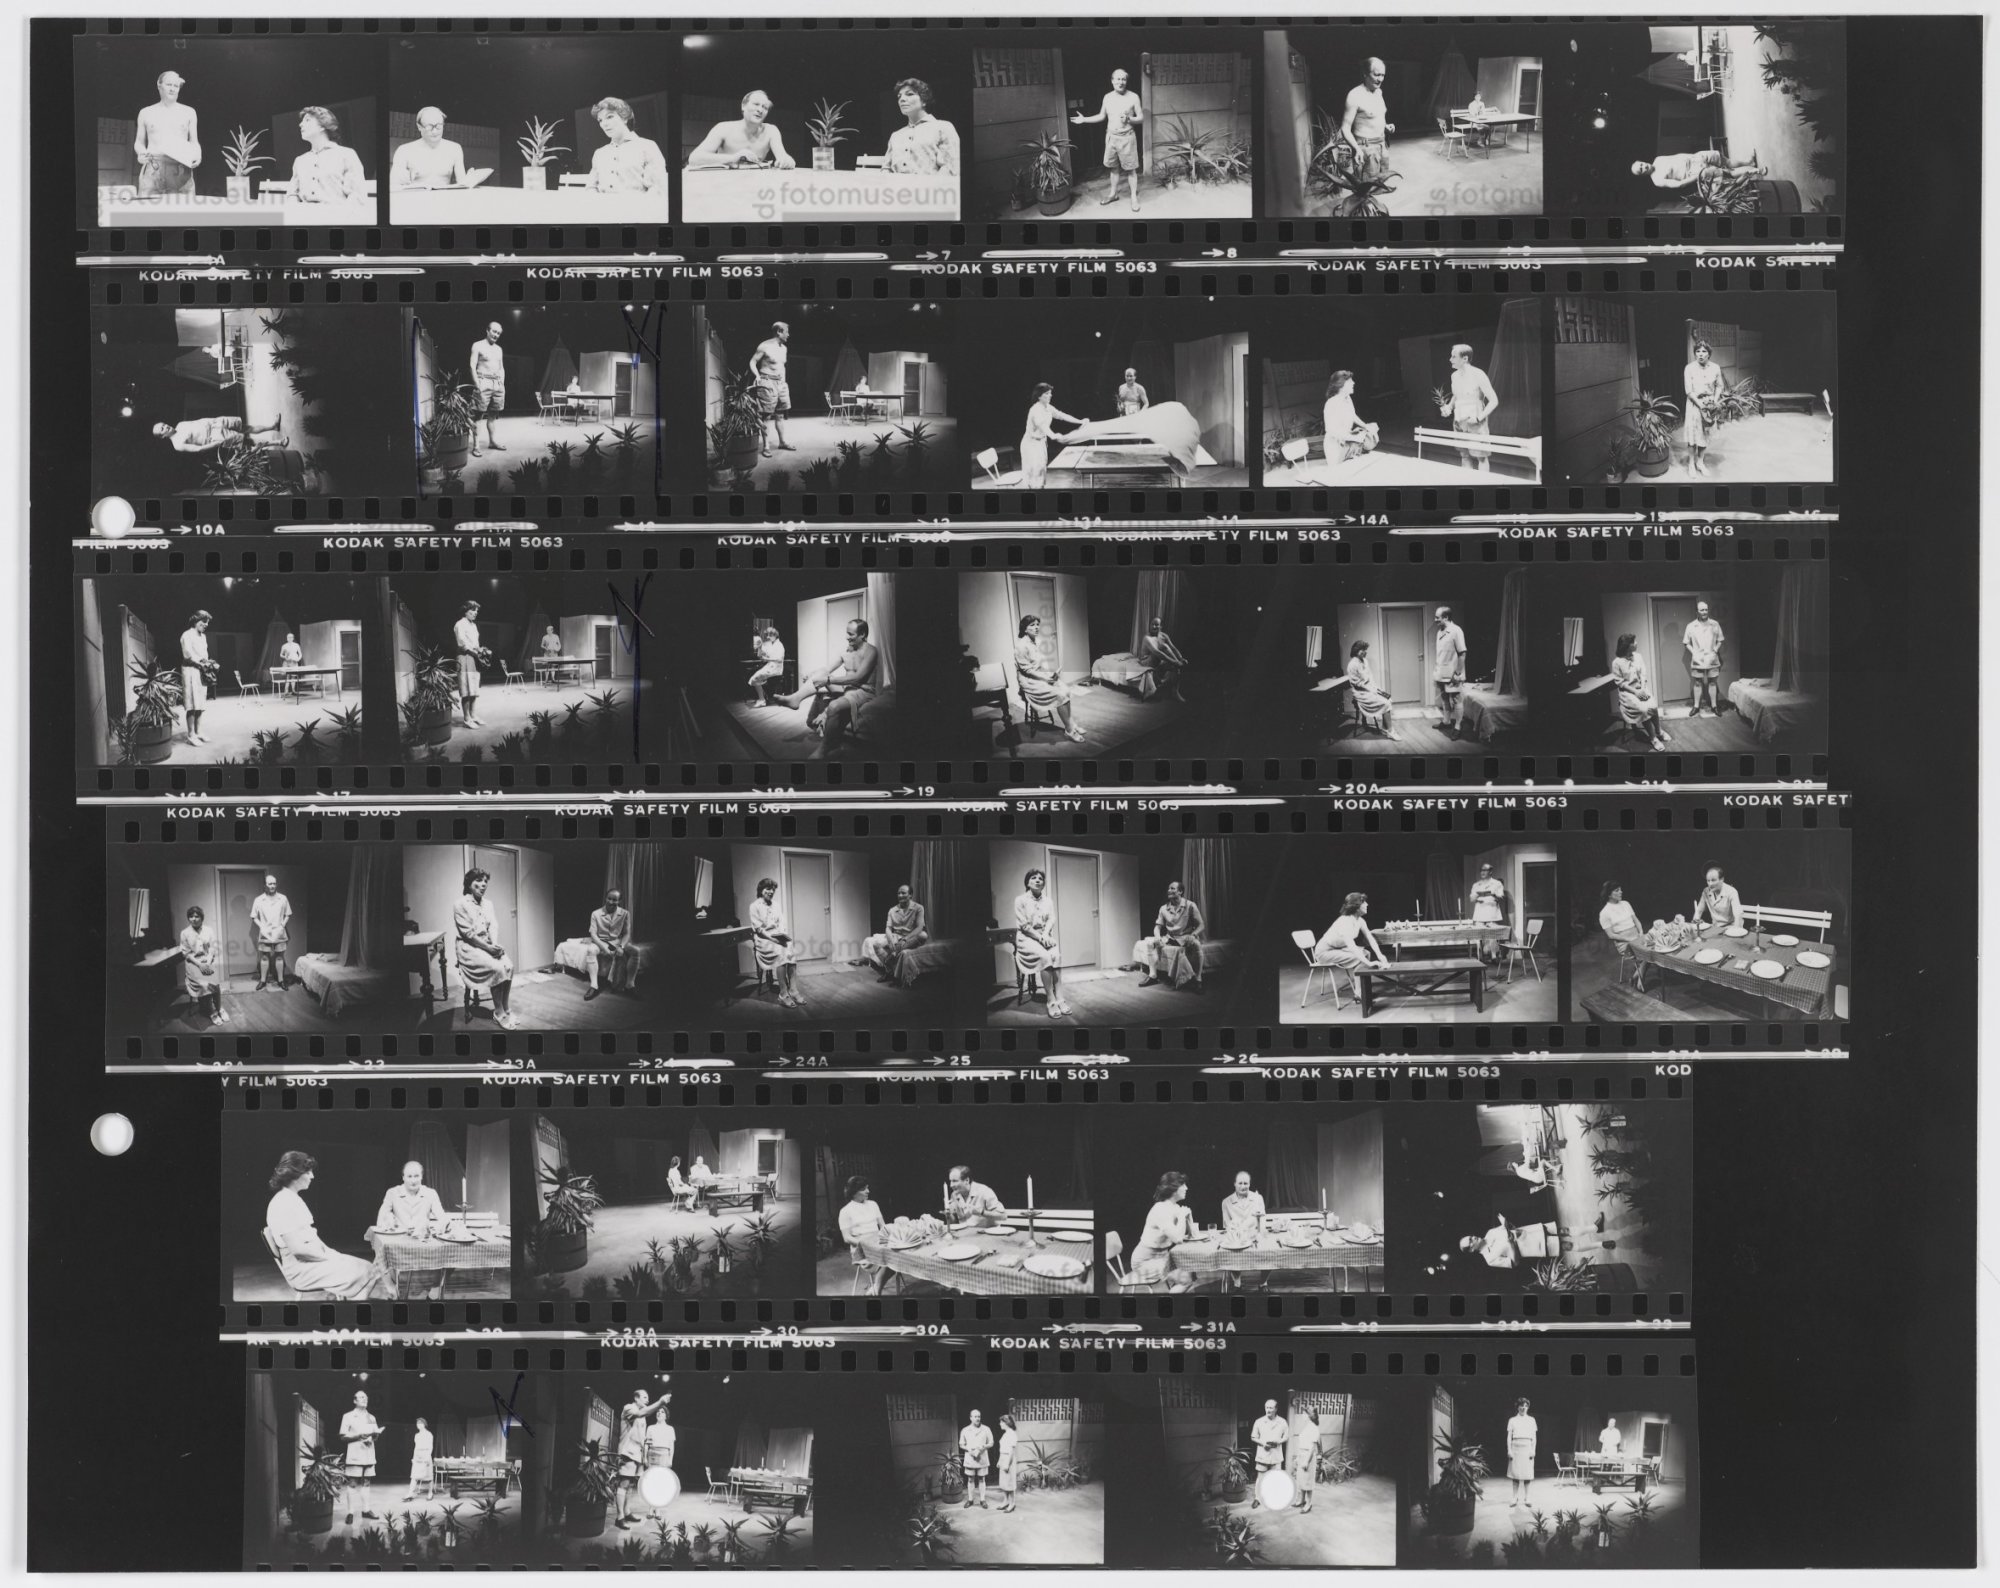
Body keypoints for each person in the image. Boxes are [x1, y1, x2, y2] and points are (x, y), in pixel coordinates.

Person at [265, 1151, 382, 1300]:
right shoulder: (283, 1203)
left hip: (310, 1259)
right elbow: (298, 1250)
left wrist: (331, 1253)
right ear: (295, 1174)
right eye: (308, 1172)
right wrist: (328, 1258)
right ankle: (350, 1310)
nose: (312, 1176)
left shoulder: (292, 1198)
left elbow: (311, 1237)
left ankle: (350, 1305)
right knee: (367, 1271)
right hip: (300, 1268)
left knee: (370, 1269)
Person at [779, 617, 879, 755]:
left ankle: (824, 748)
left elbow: (858, 678)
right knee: (819, 675)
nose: (847, 637)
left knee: (833, 706)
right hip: (847, 689)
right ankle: (796, 698)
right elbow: (827, 669)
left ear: (862, 634)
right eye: (847, 633)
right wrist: (814, 674)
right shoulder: (847, 651)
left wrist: (827, 680)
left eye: (851, 634)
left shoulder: (871, 651)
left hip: (863, 691)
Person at [1071, 68, 1144, 211]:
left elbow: (1141, 118)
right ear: (1112, 81)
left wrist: (1129, 119)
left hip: (1127, 138)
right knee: (1113, 168)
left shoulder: (1133, 97)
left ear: (1126, 81)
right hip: (1111, 137)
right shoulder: (1107, 97)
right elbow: (1101, 116)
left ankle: (1134, 198)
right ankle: (1113, 194)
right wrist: (1084, 119)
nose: (1120, 82)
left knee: (1131, 170)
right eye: (1118, 79)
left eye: (1123, 79)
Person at [455, 867, 519, 1029]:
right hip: (468, 947)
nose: (483, 884)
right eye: (478, 880)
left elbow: (493, 925)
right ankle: (498, 1012)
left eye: (485, 881)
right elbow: (468, 935)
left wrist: (494, 945)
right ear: (469, 884)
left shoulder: (488, 904)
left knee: (509, 966)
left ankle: (505, 1008)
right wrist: (489, 949)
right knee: (497, 968)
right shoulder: (460, 904)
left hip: (487, 944)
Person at [1012, 614, 1086, 744]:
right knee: (1060, 695)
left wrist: (1050, 675)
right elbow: (1027, 671)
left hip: (1039, 676)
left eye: (1037, 624)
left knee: (1066, 690)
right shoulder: (1021, 646)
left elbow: (1039, 665)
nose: (1036, 627)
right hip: (1029, 681)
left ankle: (1071, 723)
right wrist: (1045, 678)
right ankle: (1069, 730)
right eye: (1032, 625)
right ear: (1024, 629)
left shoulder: (1036, 641)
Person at [1012, 867, 1074, 1018]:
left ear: (1044, 883)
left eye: (1040, 878)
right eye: (1033, 878)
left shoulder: (1048, 901)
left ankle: (1060, 998)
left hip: (1044, 936)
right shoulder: (1020, 900)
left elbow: (1051, 919)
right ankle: (1051, 1000)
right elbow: (1024, 926)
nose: (1038, 880)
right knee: (1045, 957)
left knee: (1056, 956)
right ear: (1027, 882)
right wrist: (1040, 938)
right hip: (1026, 938)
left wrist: (1045, 935)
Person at [685, 90, 795, 170]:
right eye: (756, 104)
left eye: (765, 107)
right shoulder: (723, 128)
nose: (760, 110)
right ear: (743, 106)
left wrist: (787, 161)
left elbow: (783, 157)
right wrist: (734, 158)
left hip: (756, 182)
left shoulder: (771, 130)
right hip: (723, 183)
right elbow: (694, 158)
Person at [612, 1387, 673, 1528]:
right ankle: (619, 1517)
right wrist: (660, 1402)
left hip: (637, 1454)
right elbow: (641, 1413)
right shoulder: (629, 1408)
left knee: (631, 1485)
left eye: (648, 1398)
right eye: (645, 1397)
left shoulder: (644, 1415)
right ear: (636, 1398)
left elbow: (641, 1431)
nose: (647, 1400)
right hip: (628, 1452)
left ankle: (627, 1512)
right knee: (624, 1484)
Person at [134, 70, 201, 197]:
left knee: (183, 208)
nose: (172, 89)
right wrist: (141, 153)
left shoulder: (189, 112)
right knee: (148, 207)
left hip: (180, 168)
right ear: (159, 85)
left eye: (176, 86)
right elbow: (139, 142)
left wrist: (198, 155)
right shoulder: (146, 112)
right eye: (169, 84)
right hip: (154, 167)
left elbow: (194, 142)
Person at [1313, 892, 1392, 993]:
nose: (1367, 904)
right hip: (1324, 952)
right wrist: (1369, 963)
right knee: (1359, 958)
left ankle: (1364, 988)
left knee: (1366, 953)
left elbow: (1370, 938)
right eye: (1364, 902)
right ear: (1357, 907)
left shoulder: (1360, 921)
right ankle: (1359, 993)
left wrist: (1380, 955)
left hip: (1338, 948)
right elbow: (1352, 947)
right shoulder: (1345, 922)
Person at [1439, 344, 1500, 473]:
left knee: (1481, 458)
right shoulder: (1454, 376)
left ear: (1465, 358)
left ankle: (1483, 484)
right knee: (1464, 456)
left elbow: (1494, 400)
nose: (1450, 359)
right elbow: (1457, 395)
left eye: (1454, 357)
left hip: (1476, 422)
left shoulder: (1478, 374)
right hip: (1459, 420)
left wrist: (1478, 418)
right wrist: (1449, 407)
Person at [1131, 1170, 1196, 1291]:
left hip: (1162, 1257)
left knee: (1190, 1268)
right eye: (1183, 1185)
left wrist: (1188, 1216)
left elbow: (1189, 1234)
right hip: (1144, 1262)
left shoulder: (1174, 1207)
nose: (1186, 1188)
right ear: (1173, 1188)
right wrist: (1182, 1216)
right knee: (1186, 1280)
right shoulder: (1160, 1209)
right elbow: (1178, 1239)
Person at [587, 97, 667, 195]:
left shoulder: (647, 147)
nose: (604, 124)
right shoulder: (599, 153)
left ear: (624, 118)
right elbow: (590, 188)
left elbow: (657, 189)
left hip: (637, 204)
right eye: (600, 120)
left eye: (609, 117)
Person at [1135, 880, 1205, 989]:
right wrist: (1158, 937)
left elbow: (1201, 925)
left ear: (1180, 891)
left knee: (1197, 944)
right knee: (1150, 944)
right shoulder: (1163, 908)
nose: (1169, 890)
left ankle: (1198, 979)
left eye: (1172, 888)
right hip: (1170, 937)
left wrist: (1193, 935)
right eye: (1168, 888)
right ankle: (1153, 976)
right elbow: (1157, 927)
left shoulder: (1190, 905)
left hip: (1185, 937)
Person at [290, 106, 366, 206]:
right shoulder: (300, 161)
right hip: (304, 214)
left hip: (336, 214)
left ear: (323, 125)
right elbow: (292, 194)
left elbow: (356, 196)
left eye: (307, 120)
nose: (300, 124)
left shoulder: (346, 155)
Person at [882, 78, 960, 175]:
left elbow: (950, 167)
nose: (902, 99)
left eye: (909, 94)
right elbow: (886, 169)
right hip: (896, 184)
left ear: (924, 100)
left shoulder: (943, 127)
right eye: (899, 96)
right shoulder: (895, 136)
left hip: (931, 184)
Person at [1337, 58, 1394, 185]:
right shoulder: (1354, 95)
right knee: (1367, 188)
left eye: (1383, 75)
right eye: (1376, 74)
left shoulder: (1379, 92)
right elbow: (1345, 128)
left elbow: (1377, 116)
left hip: (1382, 146)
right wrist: (1356, 149)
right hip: (1366, 149)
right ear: (1365, 74)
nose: (1380, 79)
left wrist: (1386, 126)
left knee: (1381, 184)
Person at [1019, 383, 1086, 489]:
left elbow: (1062, 415)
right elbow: (1043, 426)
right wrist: (1053, 435)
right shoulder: (1035, 410)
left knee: (1041, 470)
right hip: (1030, 444)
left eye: (1050, 393)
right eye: (1047, 393)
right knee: (1034, 472)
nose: (1050, 395)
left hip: (1041, 442)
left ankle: (1039, 492)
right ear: (1039, 396)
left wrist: (1080, 421)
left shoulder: (1048, 407)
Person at [1610, 633, 1669, 750]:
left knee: (1653, 706)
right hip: (1627, 692)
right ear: (1627, 646)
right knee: (1644, 709)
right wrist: (1635, 692)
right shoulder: (1616, 663)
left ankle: (1659, 731)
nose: (1636, 643)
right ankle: (1653, 738)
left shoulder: (1638, 656)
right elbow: (1620, 683)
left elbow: (1643, 674)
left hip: (1641, 688)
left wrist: (1642, 688)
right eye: (1633, 642)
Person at [749, 877, 802, 1008]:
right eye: (768, 889)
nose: (771, 892)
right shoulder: (754, 906)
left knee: (790, 948)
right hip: (763, 940)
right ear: (761, 890)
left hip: (777, 937)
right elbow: (759, 930)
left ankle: (793, 989)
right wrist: (774, 939)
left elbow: (782, 923)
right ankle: (783, 994)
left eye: (773, 889)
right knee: (781, 951)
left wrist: (783, 936)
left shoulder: (776, 905)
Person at [1632, 149, 1766, 199]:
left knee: (1726, 161)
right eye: (1641, 170)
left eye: (1641, 164)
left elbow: (1678, 156)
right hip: (1695, 173)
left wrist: (1695, 156)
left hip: (1695, 158)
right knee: (1729, 173)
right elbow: (1678, 185)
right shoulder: (1656, 180)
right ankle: (1756, 171)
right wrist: (1697, 176)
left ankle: (1749, 162)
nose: (1644, 167)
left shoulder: (1658, 159)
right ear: (1642, 175)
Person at [863, 883, 929, 984]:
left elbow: (920, 927)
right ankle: (890, 971)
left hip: (910, 937)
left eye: (903, 893)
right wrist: (890, 941)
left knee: (923, 935)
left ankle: (892, 957)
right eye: (898, 893)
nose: (900, 895)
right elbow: (888, 928)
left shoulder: (918, 908)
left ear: (910, 895)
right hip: (896, 937)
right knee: (876, 944)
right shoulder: (892, 910)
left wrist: (905, 939)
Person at [390, 107, 468, 190]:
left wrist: (469, 181)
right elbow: (393, 185)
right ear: (419, 127)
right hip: (416, 197)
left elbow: (462, 184)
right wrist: (403, 181)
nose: (434, 132)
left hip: (444, 197)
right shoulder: (404, 151)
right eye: (429, 127)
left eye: (438, 126)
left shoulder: (455, 149)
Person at [837, 1174, 889, 1295]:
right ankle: (877, 1290)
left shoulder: (873, 1204)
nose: (868, 1191)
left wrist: (889, 1237)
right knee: (889, 1259)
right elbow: (846, 1238)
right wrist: (867, 1243)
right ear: (854, 1192)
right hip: (861, 1248)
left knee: (898, 1256)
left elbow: (883, 1226)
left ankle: (875, 1288)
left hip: (879, 1243)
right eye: (864, 1189)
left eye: (867, 1187)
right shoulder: (845, 1211)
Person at [1681, 341, 1726, 478]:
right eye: (1698, 351)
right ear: (1695, 353)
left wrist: (1715, 400)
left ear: (1709, 354)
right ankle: (1691, 464)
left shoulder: (1715, 368)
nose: (1700, 354)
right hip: (1694, 404)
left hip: (1710, 404)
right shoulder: (1689, 368)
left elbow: (1720, 385)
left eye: (1704, 351)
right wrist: (1701, 405)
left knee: (1705, 434)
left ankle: (1700, 462)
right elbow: (1689, 391)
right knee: (1693, 435)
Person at [339, 1391, 385, 1524]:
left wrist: (375, 1435)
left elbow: (374, 1436)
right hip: (355, 1454)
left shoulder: (371, 1417)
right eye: (361, 1397)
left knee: (367, 1483)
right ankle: (350, 1512)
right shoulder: (348, 1416)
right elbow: (342, 1436)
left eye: (366, 1397)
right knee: (352, 1483)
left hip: (369, 1454)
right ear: (354, 1400)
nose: (365, 1399)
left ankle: (366, 1510)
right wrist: (358, 1436)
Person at [585, 887, 637, 1001]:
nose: (611, 902)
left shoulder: (625, 913)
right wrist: (604, 947)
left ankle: (630, 985)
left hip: (616, 941)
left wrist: (621, 946)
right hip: (600, 941)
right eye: (609, 898)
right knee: (590, 950)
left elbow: (627, 933)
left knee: (635, 951)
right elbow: (593, 934)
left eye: (614, 900)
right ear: (606, 898)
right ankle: (594, 986)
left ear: (619, 901)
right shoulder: (596, 914)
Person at [1219, 1169, 1266, 1293]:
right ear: (1234, 1184)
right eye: (1240, 1183)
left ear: (1249, 1184)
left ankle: (1263, 1283)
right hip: (1237, 1237)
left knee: (1269, 1251)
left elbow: (1262, 1220)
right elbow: (1227, 1225)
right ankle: (1237, 1283)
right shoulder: (1226, 1202)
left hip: (1255, 1236)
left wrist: (1260, 1234)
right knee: (1231, 1251)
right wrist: (1236, 1232)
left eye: (1246, 1183)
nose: (1243, 1186)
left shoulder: (1258, 1198)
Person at [375, 1159, 448, 1239]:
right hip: (398, 1240)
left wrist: (431, 1228)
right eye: (409, 1176)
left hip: (422, 1240)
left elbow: (442, 1218)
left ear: (421, 1176)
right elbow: (380, 1220)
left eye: (416, 1176)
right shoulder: (392, 1193)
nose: (413, 1181)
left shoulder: (431, 1193)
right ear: (403, 1177)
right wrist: (389, 1223)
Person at [750, 322, 793, 456]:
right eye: (786, 331)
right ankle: (766, 447)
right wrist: (757, 376)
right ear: (779, 331)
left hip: (781, 384)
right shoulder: (764, 346)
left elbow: (781, 366)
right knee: (766, 416)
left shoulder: (784, 348)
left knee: (780, 415)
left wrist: (783, 383)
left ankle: (782, 442)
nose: (788, 335)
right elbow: (752, 362)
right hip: (767, 383)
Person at [179, 905, 227, 1025]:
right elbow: (186, 953)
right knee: (204, 983)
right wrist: (200, 965)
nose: (194, 919)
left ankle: (219, 1008)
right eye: (191, 916)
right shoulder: (184, 933)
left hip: (207, 960)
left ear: (202, 917)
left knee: (215, 982)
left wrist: (208, 962)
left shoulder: (208, 930)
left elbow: (212, 948)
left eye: (197, 916)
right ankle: (211, 1011)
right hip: (193, 963)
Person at [1598, 882, 1650, 990]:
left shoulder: (1626, 903)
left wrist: (1640, 932)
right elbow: (1610, 935)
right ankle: (1639, 980)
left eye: (1620, 889)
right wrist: (1629, 939)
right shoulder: (1604, 913)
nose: (1621, 892)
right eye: (1617, 890)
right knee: (1649, 954)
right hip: (1624, 942)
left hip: (1636, 936)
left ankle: (1636, 976)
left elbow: (1636, 920)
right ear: (1609, 894)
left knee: (1655, 947)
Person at [1461, 1215, 1566, 1268]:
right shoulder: (1490, 1259)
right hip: (1533, 1246)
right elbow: (1515, 1262)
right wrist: (1511, 1244)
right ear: (1471, 1250)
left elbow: (1511, 1228)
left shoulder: (1490, 1233)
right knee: (1566, 1245)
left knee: (1563, 1230)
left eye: (1471, 1236)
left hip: (1530, 1231)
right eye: (1470, 1240)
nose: (1473, 1237)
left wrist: (1505, 1223)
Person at [1321, 371, 1380, 463]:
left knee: (1372, 430)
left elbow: (1353, 415)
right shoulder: (1331, 403)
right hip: (1336, 448)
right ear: (1341, 385)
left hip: (1348, 442)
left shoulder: (1347, 398)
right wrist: (1356, 438)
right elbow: (1332, 431)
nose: (1353, 383)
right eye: (1350, 381)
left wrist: (1366, 426)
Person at [1344, 640, 1398, 739]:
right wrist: (1371, 690)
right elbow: (1357, 684)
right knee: (1385, 703)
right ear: (1356, 650)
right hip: (1361, 693)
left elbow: (1370, 678)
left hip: (1370, 689)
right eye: (1362, 650)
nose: (1365, 652)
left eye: (1365, 650)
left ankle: (1385, 728)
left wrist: (1377, 689)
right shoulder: (1352, 665)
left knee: (1388, 699)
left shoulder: (1365, 661)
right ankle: (1391, 731)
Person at [153, 415, 285, 455]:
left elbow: (198, 421)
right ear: (163, 436)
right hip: (215, 437)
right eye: (162, 429)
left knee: (246, 428)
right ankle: (278, 442)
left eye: (164, 424)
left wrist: (215, 420)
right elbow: (198, 449)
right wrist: (216, 444)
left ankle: (273, 426)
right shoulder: (177, 444)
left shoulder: (180, 424)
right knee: (247, 441)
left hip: (216, 423)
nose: (166, 426)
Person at [1682, 600, 1726, 716]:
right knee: (1697, 683)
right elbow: (1686, 642)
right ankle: (1696, 706)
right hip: (1698, 659)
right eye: (1702, 610)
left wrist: (1715, 650)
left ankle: (1714, 706)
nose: (1705, 612)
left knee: (1713, 683)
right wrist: (1694, 653)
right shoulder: (1691, 626)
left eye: (1706, 609)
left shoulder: (1715, 624)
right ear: (1697, 612)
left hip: (1712, 658)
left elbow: (1720, 640)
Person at [179, 608, 215, 746]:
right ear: (196, 620)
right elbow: (187, 656)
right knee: (191, 704)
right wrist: (201, 664)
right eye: (204, 621)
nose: (206, 624)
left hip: (201, 672)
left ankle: (199, 732)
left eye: (208, 622)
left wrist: (209, 662)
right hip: (190, 671)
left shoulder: (203, 637)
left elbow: (204, 655)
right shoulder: (186, 635)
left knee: (200, 703)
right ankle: (191, 735)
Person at [469, 322, 506, 457]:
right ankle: (476, 446)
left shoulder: (499, 349)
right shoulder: (477, 345)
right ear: (487, 330)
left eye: (498, 333)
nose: (496, 335)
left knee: (493, 416)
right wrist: (477, 385)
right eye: (494, 331)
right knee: (478, 416)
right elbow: (472, 366)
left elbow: (501, 367)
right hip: (483, 382)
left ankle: (492, 442)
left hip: (497, 384)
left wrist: (501, 383)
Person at [251, 872, 293, 991]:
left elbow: (288, 914)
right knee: (264, 957)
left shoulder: (283, 898)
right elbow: (254, 916)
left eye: (274, 883)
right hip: (265, 933)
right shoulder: (259, 900)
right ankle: (263, 980)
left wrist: (282, 926)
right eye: (270, 884)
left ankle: (281, 980)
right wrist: (262, 927)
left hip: (279, 932)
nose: (272, 886)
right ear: (265, 885)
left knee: (279, 957)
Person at [453, 600, 490, 728]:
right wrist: (475, 652)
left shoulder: (473, 626)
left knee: (474, 688)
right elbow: (462, 644)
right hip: (464, 657)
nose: (475, 613)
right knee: (466, 689)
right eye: (473, 610)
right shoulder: (460, 624)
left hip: (474, 658)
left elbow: (475, 644)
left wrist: (482, 651)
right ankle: (467, 718)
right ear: (465, 611)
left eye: (477, 611)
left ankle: (473, 715)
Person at [1432, 607, 1468, 733]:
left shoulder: (1456, 631)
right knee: (1444, 697)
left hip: (1453, 673)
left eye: (1437, 617)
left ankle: (1458, 727)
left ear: (1446, 617)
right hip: (1441, 672)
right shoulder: (1439, 632)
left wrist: (1457, 673)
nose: (1435, 620)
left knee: (1457, 699)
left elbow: (1462, 654)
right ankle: (1446, 721)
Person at [1137, 617, 1190, 703]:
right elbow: (1157, 652)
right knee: (1165, 647)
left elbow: (1173, 648)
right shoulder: (1147, 638)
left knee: (1175, 666)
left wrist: (1180, 658)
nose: (1154, 626)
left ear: (1161, 626)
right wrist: (1175, 662)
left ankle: (1175, 692)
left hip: (1158, 660)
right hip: (1146, 661)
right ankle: (1177, 663)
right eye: (1152, 624)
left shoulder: (1164, 636)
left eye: (1156, 625)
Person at [1249, 1400, 1289, 1506]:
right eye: (1266, 1407)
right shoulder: (1259, 1421)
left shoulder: (1282, 1422)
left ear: (1276, 1409)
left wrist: (1279, 1441)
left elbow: (1286, 1436)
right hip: (1263, 1453)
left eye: (1271, 1408)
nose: (1268, 1410)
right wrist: (1263, 1444)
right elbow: (1253, 1437)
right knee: (1260, 1477)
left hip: (1276, 1454)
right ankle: (1258, 1498)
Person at [1469, 862, 1507, 965]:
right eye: (1481, 870)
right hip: (1480, 912)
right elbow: (1472, 899)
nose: (1482, 872)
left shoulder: (1497, 883)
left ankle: (1494, 956)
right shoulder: (1476, 884)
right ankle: (1480, 956)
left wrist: (1493, 894)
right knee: (1479, 935)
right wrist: (1477, 897)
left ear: (1490, 872)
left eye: (1485, 870)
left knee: (1492, 935)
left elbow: (1501, 897)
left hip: (1491, 912)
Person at [959, 1409, 996, 1509]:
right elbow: (961, 1444)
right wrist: (969, 1449)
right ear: (970, 1418)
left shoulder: (986, 1429)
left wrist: (983, 1447)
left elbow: (991, 1442)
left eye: (979, 1416)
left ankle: (982, 1500)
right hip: (970, 1458)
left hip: (982, 1457)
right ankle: (970, 1500)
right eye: (975, 1416)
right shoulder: (965, 1430)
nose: (977, 1418)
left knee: (982, 1478)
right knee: (970, 1479)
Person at [1506, 1398, 1537, 1505]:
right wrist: (1509, 1450)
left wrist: (1533, 1450)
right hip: (1515, 1448)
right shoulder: (1512, 1420)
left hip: (1527, 1448)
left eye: (1525, 1406)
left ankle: (1527, 1497)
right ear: (1517, 1407)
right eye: (1521, 1406)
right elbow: (1509, 1437)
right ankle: (1514, 1497)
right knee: (1515, 1475)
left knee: (1527, 1474)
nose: (1523, 1408)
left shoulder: (1532, 1420)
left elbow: (1534, 1437)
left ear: (1528, 1407)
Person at [1693, 866, 1744, 931]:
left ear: (1722, 879)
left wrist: (1736, 931)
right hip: (1715, 928)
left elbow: (1738, 915)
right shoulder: (1706, 891)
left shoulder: (1732, 891)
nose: (1710, 884)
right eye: (1708, 881)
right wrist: (1694, 926)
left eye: (1713, 880)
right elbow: (1699, 910)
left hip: (1731, 927)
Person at [746, 624, 786, 707]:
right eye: (767, 635)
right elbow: (761, 655)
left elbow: (779, 659)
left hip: (776, 668)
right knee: (754, 679)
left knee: (754, 679)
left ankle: (762, 700)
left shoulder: (779, 645)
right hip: (770, 666)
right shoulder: (769, 644)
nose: (767, 637)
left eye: (769, 635)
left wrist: (768, 659)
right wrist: (760, 647)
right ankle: (762, 697)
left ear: (775, 635)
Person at [1290, 1407, 1321, 1512]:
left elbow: (1312, 1447)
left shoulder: (1314, 1428)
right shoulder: (1306, 1427)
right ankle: (1301, 1500)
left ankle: (1308, 1503)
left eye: (1304, 1414)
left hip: (1309, 1457)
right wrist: (1298, 1457)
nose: (1302, 1416)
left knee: (1308, 1482)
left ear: (1309, 1415)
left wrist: (1306, 1461)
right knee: (1301, 1480)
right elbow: (1301, 1445)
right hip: (1302, 1455)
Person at [406, 1417, 435, 1503]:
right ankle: (410, 1493)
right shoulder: (417, 1435)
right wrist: (413, 1457)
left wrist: (427, 1457)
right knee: (414, 1476)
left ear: (424, 1424)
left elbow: (430, 1447)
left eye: (420, 1423)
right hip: (418, 1456)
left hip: (426, 1455)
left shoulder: (429, 1434)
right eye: (417, 1423)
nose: (418, 1425)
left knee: (429, 1476)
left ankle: (430, 1493)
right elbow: (416, 1447)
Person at [994, 1414, 1019, 1514]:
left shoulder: (1012, 1434)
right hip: (1003, 1458)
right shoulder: (1005, 1434)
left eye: (1001, 1422)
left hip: (1009, 1460)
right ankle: (1005, 1501)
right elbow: (1002, 1450)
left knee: (1010, 1483)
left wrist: (1007, 1464)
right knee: (1004, 1482)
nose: (1000, 1424)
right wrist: (999, 1461)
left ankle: (1012, 1503)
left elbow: (1011, 1452)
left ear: (1006, 1423)